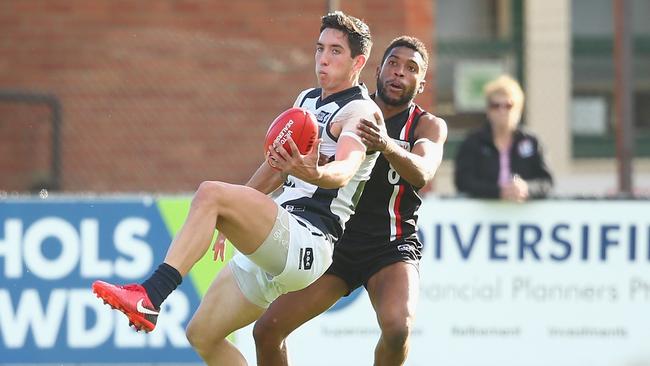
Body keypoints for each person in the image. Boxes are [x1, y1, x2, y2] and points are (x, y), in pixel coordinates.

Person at [92, 11, 380, 366]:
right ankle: (151, 299)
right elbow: (275, 168)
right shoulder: (306, 100)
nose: (323, 58)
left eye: (336, 51)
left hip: (309, 239)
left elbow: (346, 168)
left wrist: (316, 174)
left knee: (210, 192)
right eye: (319, 48)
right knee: (203, 337)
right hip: (278, 235)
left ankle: (150, 296)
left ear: (359, 62)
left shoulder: (361, 111)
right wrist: (235, 212)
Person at [253, 36, 448, 366]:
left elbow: (423, 173)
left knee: (398, 328)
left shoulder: (427, 124)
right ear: (377, 69)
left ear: (422, 82)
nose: (399, 72)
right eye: (393, 63)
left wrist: (386, 144)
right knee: (267, 330)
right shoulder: (351, 110)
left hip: (390, 246)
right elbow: (286, 162)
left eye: (411, 68)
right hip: (335, 243)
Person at [454, 75, 553, 201]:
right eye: (495, 106)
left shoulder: (532, 142)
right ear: (488, 110)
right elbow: (463, 181)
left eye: (508, 105)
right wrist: (498, 191)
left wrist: (527, 188)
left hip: (524, 215)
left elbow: (547, 182)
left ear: (519, 109)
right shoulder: (473, 142)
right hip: (483, 215)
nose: (502, 111)